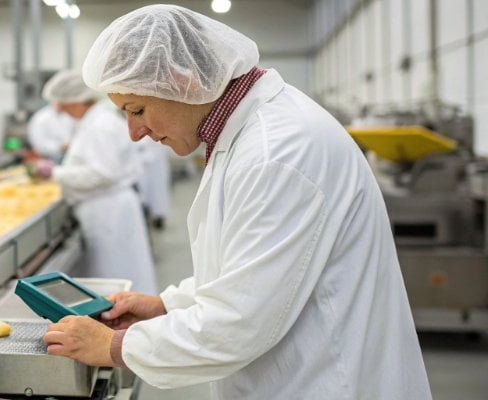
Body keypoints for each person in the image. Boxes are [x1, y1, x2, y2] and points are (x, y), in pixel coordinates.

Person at [42, 5, 431, 400]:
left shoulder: (276, 152)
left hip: (326, 382)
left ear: (183, 80)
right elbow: (251, 267)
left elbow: (238, 322)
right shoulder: (245, 133)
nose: (134, 132)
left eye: (137, 110)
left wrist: (111, 346)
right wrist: (166, 304)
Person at [34, 70, 157, 294]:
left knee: (115, 274)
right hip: (108, 208)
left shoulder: (99, 126)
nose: (60, 110)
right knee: (121, 272)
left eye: (63, 103)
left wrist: (56, 174)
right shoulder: (94, 122)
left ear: (77, 101)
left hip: (108, 211)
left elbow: (102, 174)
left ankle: (128, 322)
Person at [135, 137, 171, 229]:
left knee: (158, 192)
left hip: (155, 162)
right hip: (144, 163)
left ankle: (158, 216)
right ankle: (151, 215)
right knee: (147, 192)